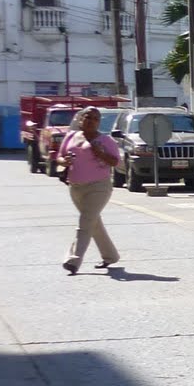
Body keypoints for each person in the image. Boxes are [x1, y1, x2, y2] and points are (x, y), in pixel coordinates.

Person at [57, 106, 121, 274]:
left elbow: (115, 162)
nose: (91, 121)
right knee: (93, 223)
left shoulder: (106, 141)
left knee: (85, 222)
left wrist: (100, 153)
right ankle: (110, 256)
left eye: (95, 118)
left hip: (99, 187)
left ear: (99, 122)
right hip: (76, 187)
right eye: (87, 117)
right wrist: (64, 161)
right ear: (80, 119)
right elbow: (59, 156)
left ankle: (73, 260)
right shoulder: (71, 136)